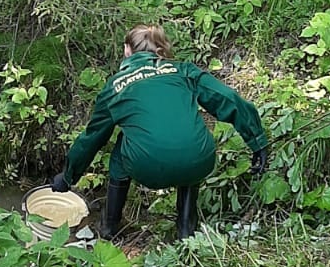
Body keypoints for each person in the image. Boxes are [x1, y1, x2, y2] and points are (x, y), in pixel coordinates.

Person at [51, 24, 269, 240]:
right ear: (160, 49)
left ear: (127, 50)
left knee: (119, 152)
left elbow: (92, 138)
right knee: (190, 141)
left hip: (148, 167)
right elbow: (228, 98)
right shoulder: (184, 71)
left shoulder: (115, 87)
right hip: (199, 160)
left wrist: (68, 176)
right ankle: (186, 231)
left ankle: (109, 226)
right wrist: (257, 141)